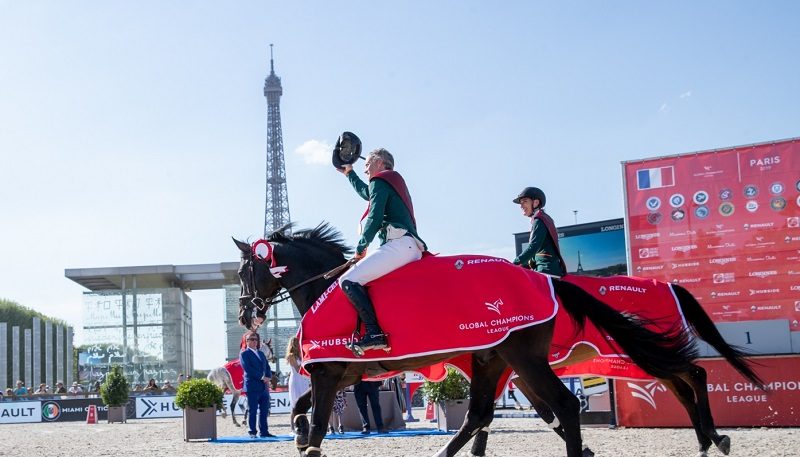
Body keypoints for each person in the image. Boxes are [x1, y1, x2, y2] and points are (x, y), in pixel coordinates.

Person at [336, 147, 427, 353]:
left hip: (399, 245)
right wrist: (349, 173)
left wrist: (361, 247)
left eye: (367, 163)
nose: (365, 168)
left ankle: (375, 334)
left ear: (379, 162)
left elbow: (374, 217)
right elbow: (367, 193)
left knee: (347, 280)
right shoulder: (388, 182)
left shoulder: (381, 181)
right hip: (407, 245)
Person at [512, 187, 567, 277]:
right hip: (546, 270)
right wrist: (521, 265)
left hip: (546, 271)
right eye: (520, 203)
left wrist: (514, 263)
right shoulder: (543, 218)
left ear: (536, 202)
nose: (521, 206)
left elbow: (533, 247)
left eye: (525, 201)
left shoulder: (539, 221)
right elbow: (535, 253)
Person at [240, 330, 274, 438]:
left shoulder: (261, 353)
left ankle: (264, 432)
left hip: (264, 387)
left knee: (264, 410)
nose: (255, 342)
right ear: (247, 341)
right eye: (252, 339)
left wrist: (268, 376)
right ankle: (252, 432)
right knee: (252, 410)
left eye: (256, 339)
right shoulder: (244, 354)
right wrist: (261, 377)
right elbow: (248, 369)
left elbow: (267, 367)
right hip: (253, 386)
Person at [285, 336, 310, 409]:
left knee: (304, 403)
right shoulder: (291, 356)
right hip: (296, 380)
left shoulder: (302, 355)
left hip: (304, 380)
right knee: (295, 404)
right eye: (297, 343)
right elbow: (297, 369)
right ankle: (294, 420)